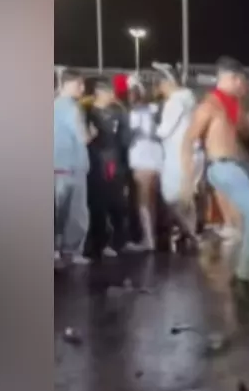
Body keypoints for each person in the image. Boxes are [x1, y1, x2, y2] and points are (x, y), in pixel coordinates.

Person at [179, 56, 249, 299]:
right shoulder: (209, 106)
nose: (244, 86)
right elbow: (188, 141)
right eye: (241, 81)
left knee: (244, 222)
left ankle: (242, 274)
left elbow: (246, 131)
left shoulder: (232, 105)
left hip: (234, 167)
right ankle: (244, 276)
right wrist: (188, 180)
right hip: (222, 167)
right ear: (231, 78)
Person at [154, 63, 202, 243]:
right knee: (187, 197)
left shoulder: (174, 102)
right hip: (194, 153)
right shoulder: (191, 98)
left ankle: (191, 233)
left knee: (172, 196)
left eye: (161, 85)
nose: (160, 90)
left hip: (178, 155)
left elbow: (164, 131)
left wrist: (152, 127)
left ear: (168, 83)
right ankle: (188, 233)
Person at [86, 79, 132, 260]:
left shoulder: (118, 112)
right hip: (98, 163)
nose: (113, 96)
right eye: (110, 92)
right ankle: (99, 243)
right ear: (100, 93)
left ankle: (118, 241)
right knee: (98, 203)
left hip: (115, 163)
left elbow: (125, 137)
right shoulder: (88, 112)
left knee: (118, 203)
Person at [54, 69, 91, 266]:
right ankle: (72, 251)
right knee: (76, 213)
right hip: (73, 166)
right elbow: (83, 136)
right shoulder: (72, 108)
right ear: (67, 84)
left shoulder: (52, 105)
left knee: (56, 211)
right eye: (79, 84)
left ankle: (55, 250)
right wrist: (92, 132)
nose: (83, 89)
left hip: (56, 166)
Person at [127, 78, 163, 252]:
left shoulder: (136, 113)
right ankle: (151, 237)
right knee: (151, 202)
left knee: (143, 201)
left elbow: (130, 134)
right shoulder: (156, 109)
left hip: (142, 159)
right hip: (157, 158)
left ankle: (148, 240)